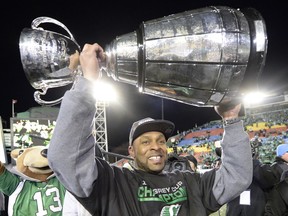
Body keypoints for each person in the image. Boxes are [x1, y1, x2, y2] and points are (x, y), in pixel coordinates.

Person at [48, 43, 253, 215]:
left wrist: (231, 119)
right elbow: (65, 157)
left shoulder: (190, 182)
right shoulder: (112, 184)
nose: (156, 147)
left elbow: (236, 177)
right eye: (145, 142)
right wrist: (87, 83)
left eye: (161, 141)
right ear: (131, 151)